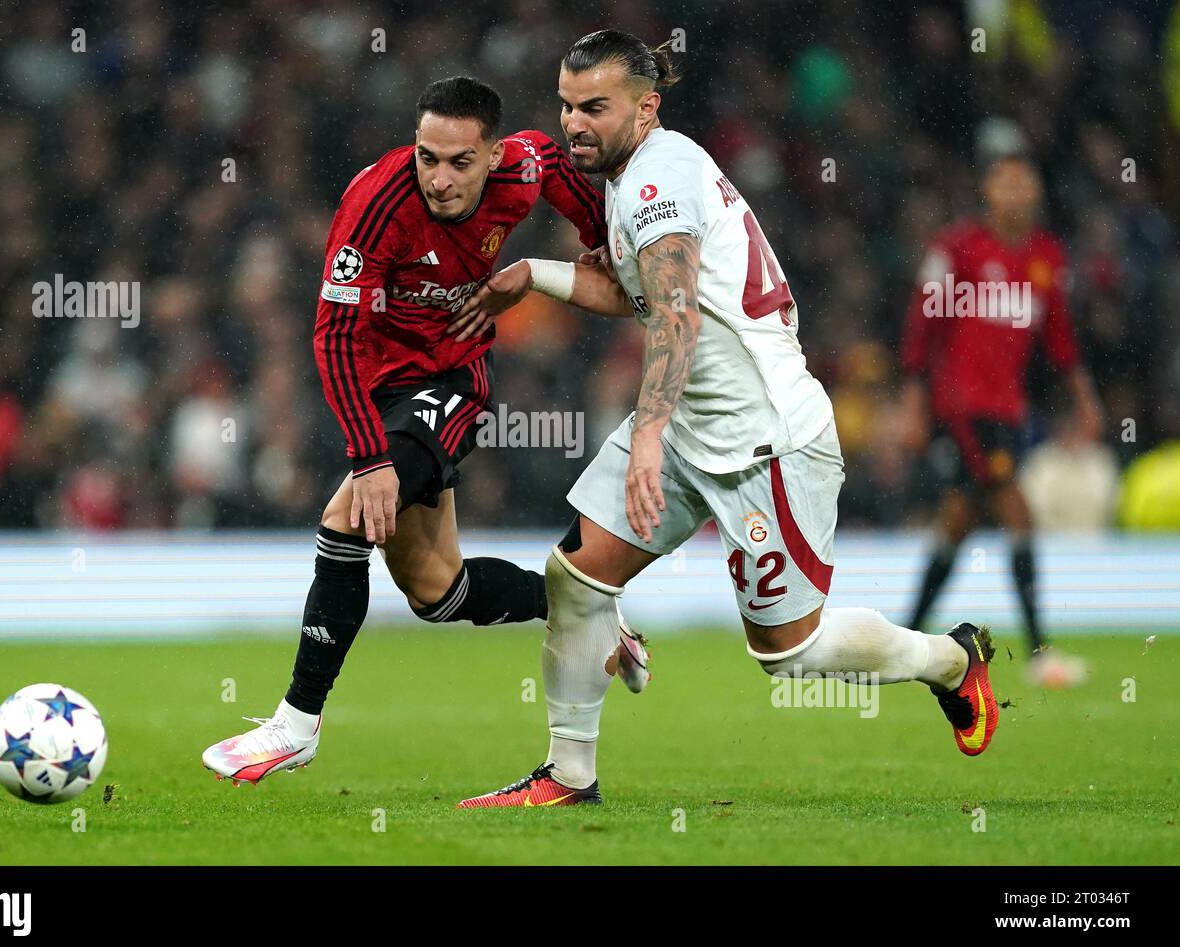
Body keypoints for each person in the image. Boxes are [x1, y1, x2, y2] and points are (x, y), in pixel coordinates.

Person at [450, 31, 998, 809]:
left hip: (763, 440)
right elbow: (636, 293)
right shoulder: (627, 172)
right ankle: (568, 776)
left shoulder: (655, 182)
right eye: (567, 106)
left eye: (594, 108)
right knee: (574, 579)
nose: (573, 124)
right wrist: (533, 275)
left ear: (646, 109)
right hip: (684, 426)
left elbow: (676, 315)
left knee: (790, 654)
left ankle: (949, 659)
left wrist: (643, 432)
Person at [202, 76, 608, 784]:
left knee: (345, 521)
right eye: (428, 157)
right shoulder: (376, 204)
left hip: (452, 380)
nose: (440, 179)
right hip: (381, 388)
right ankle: (585, 606)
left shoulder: (526, 164)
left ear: (491, 157)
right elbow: (333, 338)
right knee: (435, 590)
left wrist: (603, 244)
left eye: (459, 162)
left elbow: (568, 180)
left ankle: (296, 726)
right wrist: (369, 457)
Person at [899, 148, 1104, 688]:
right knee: (1018, 511)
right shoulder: (957, 249)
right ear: (988, 191)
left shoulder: (1045, 258)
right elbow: (923, 325)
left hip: (1009, 409)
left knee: (959, 521)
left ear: (1035, 192)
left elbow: (1059, 336)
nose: (1015, 193)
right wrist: (915, 401)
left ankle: (903, 643)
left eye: (1024, 183)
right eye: (1004, 183)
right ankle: (1041, 654)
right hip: (964, 409)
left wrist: (1083, 396)